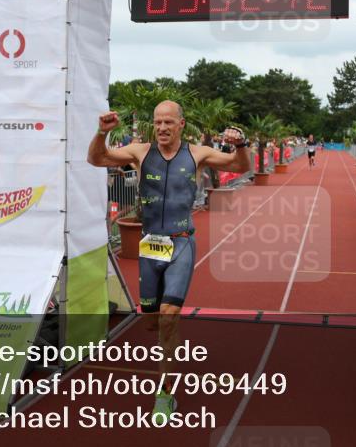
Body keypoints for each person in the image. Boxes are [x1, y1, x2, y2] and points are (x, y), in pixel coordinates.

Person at [88, 101, 251, 422]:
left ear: (181, 124)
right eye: (157, 122)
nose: (161, 128)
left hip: (180, 244)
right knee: (151, 320)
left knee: (168, 315)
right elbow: (95, 158)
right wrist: (100, 133)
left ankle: (165, 392)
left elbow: (241, 165)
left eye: (168, 122)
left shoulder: (198, 154)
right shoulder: (139, 152)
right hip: (151, 246)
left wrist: (241, 144)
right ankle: (168, 338)